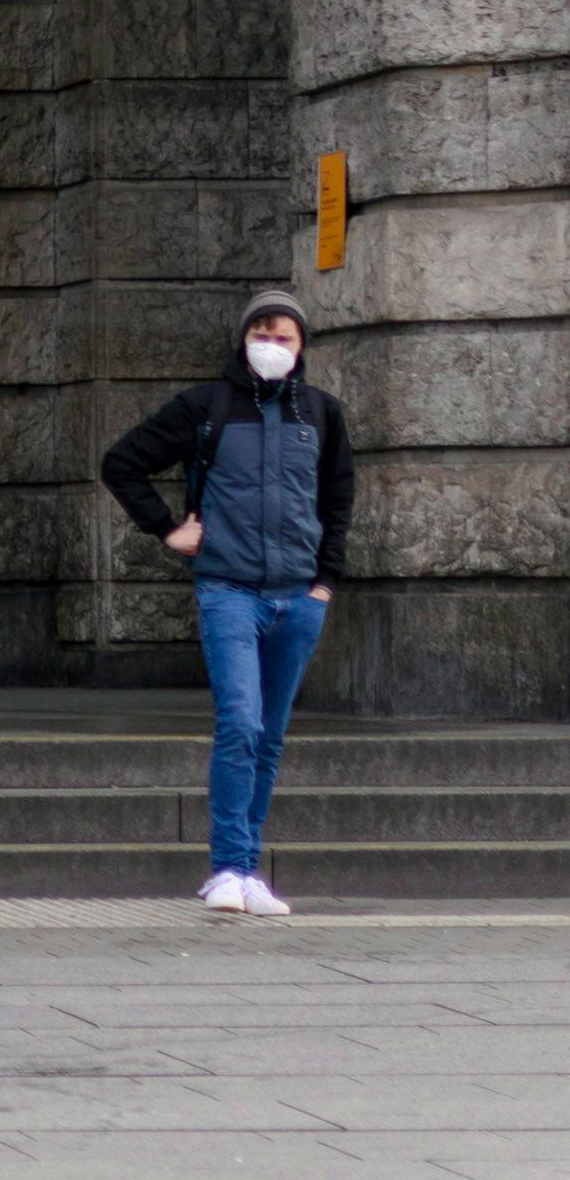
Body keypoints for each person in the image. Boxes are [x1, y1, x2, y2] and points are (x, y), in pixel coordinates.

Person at [102, 285, 355, 916]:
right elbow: (122, 462)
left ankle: (248, 870)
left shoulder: (321, 414)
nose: (271, 345)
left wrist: (324, 584)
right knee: (241, 723)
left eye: (283, 336)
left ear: (301, 346)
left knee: (269, 737)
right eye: (260, 333)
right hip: (228, 590)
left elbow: (338, 501)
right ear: (243, 340)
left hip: (298, 596)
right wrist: (167, 527)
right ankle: (226, 869)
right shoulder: (206, 406)